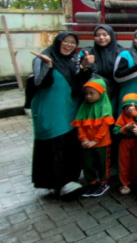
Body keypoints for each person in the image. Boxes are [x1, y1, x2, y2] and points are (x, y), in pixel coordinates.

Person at [30, 31, 92, 197]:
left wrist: (85, 67)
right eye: (65, 41)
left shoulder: (72, 60)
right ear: (58, 42)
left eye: (72, 42)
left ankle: (66, 180)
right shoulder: (42, 58)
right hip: (51, 109)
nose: (69, 45)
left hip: (69, 108)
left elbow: (79, 81)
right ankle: (57, 182)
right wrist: (49, 66)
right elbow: (40, 83)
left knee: (69, 144)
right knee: (53, 143)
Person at [72, 78, 115, 198]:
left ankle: (103, 182)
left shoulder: (105, 107)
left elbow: (104, 127)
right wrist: (84, 139)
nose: (88, 97)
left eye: (92, 93)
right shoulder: (83, 107)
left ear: (101, 93)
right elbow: (79, 125)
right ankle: (91, 182)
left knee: (102, 163)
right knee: (88, 163)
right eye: (86, 94)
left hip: (101, 143)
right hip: (86, 144)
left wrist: (95, 140)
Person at [80, 25, 124, 112]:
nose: (101, 38)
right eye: (97, 35)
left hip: (115, 92)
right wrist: (84, 65)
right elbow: (80, 77)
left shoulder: (121, 52)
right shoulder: (88, 53)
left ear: (111, 35)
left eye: (105, 35)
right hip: (93, 95)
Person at [113, 93, 137, 195]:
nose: (129, 111)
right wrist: (125, 128)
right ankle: (124, 183)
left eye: (132, 108)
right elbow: (115, 131)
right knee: (124, 163)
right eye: (127, 108)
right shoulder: (122, 117)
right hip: (125, 143)